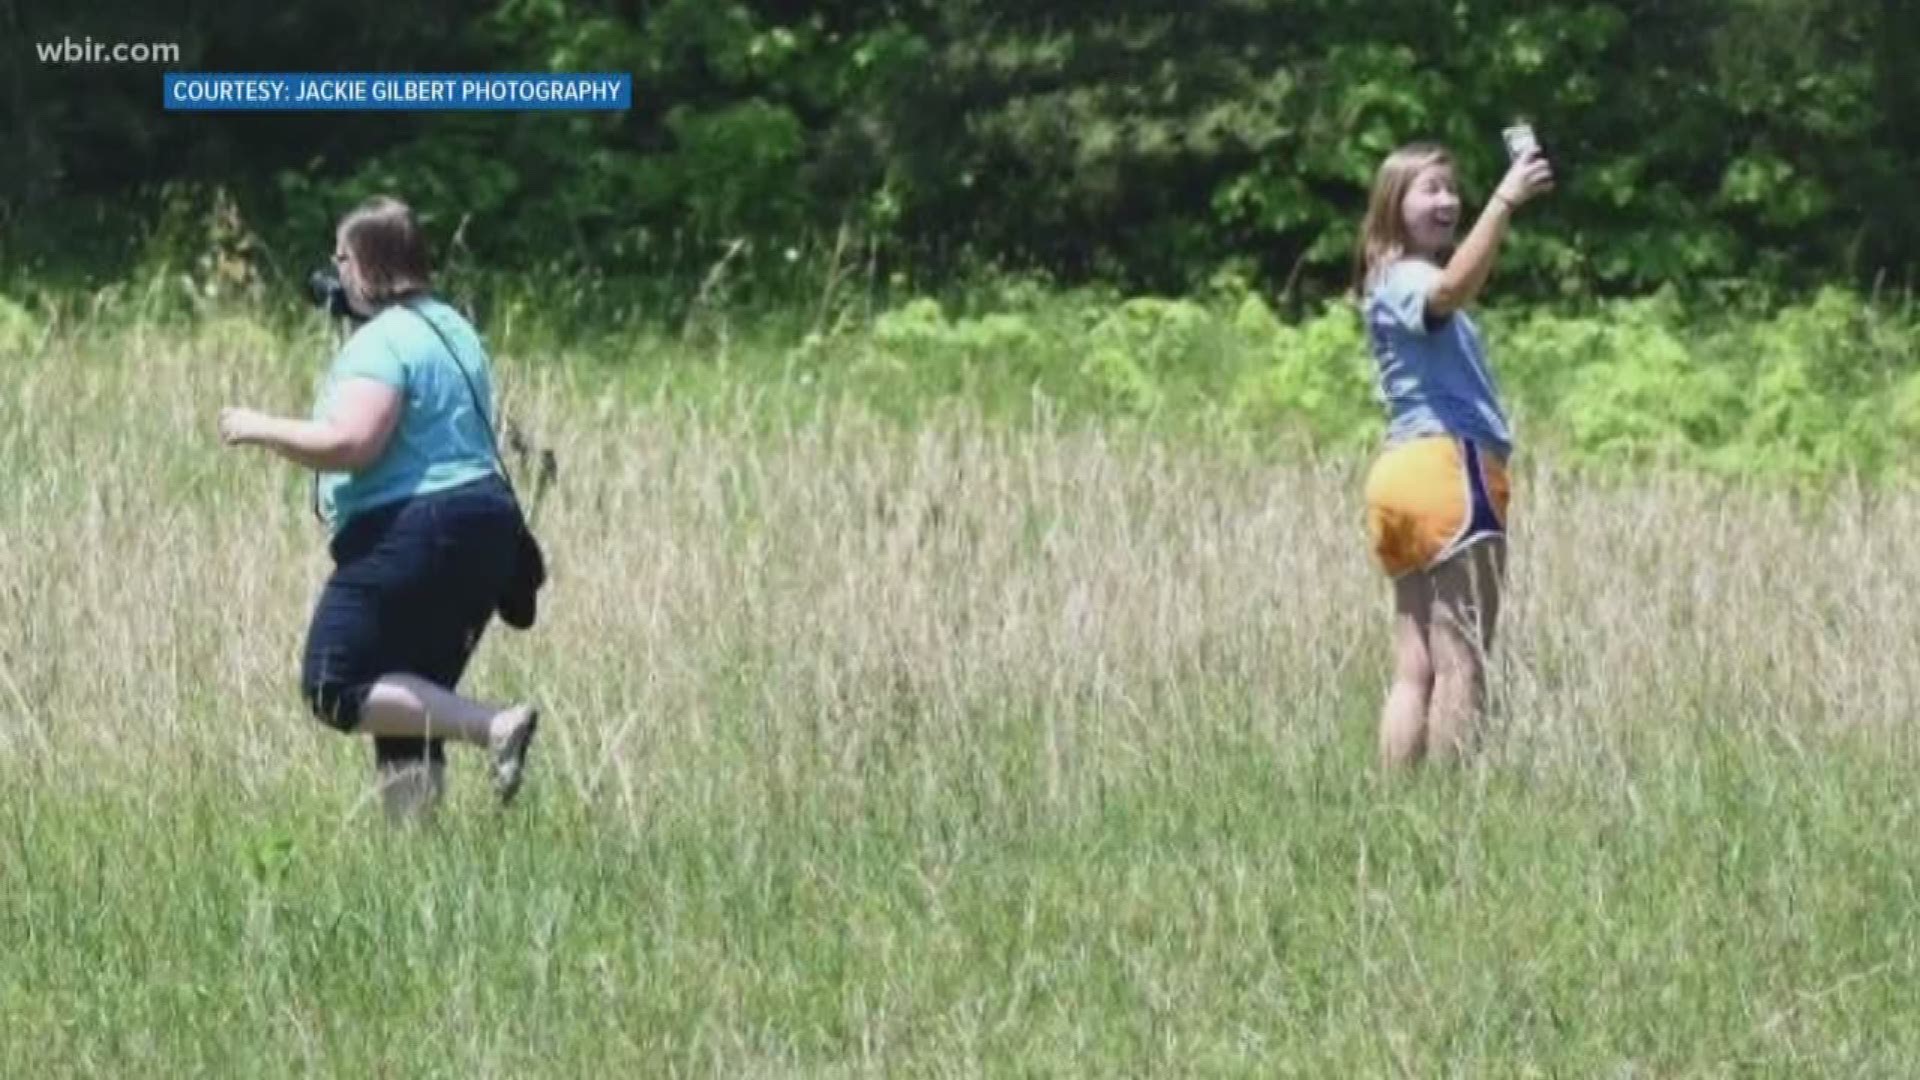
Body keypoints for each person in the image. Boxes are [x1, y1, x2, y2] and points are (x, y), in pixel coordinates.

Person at [219, 195, 540, 821]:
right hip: (485, 527)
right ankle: (415, 866)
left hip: (418, 528)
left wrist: (257, 426)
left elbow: (350, 444)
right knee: (407, 699)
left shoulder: (381, 343)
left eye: (340, 257)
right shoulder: (452, 328)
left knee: (334, 686)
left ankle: (496, 725)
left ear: (362, 263)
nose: (334, 270)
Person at [1353, 140, 1553, 767]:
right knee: (1461, 659)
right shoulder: (1409, 276)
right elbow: (1448, 294)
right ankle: (1446, 817)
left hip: (1399, 477)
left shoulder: (1383, 280)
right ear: (1393, 206)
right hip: (1447, 468)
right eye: (1428, 189)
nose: (1447, 199)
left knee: (1414, 668)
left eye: (1451, 188)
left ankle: (1393, 811)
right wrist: (1504, 201)